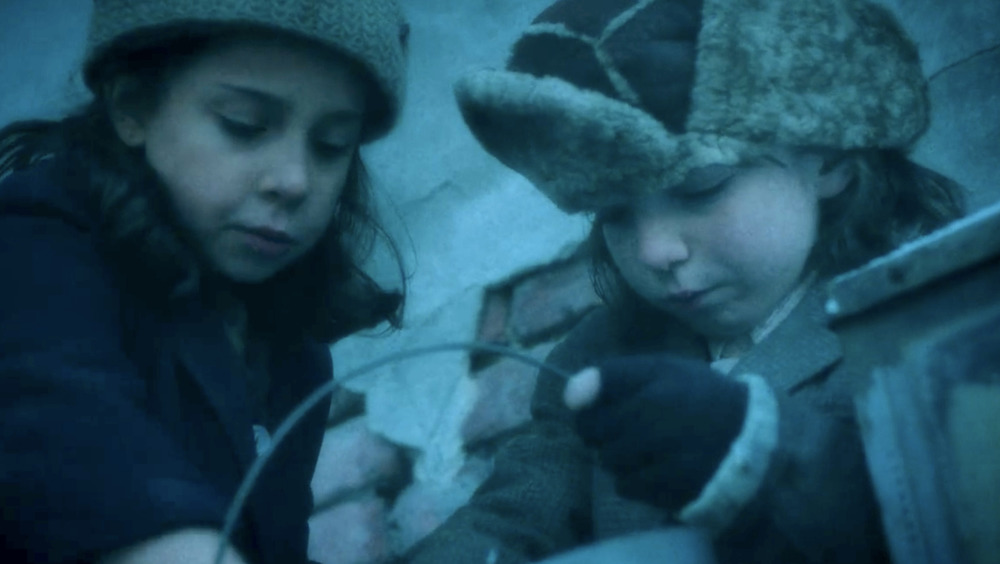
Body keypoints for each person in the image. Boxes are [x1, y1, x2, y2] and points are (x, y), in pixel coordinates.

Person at [402, 0, 965, 563]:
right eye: (615, 214)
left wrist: (755, 448)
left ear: (830, 161)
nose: (654, 251)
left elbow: (947, 514)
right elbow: (514, 518)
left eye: (701, 189)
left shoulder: (930, 326)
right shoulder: (596, 356)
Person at [0, 1, 410, 563]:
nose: (294, 180)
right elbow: (72, 449)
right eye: (244, 124)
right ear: (132, 107)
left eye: (332, 145)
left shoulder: (295, 356)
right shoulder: (30, 248)